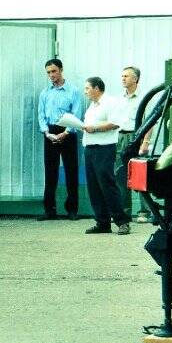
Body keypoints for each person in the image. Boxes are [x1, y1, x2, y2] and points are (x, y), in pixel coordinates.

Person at [81, 77, 130, 235]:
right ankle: (102, 222)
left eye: (87, 88)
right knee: (94, 186)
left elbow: (115, 123)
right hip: (90, 148)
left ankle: (122, 221)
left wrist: (94, 128)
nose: (85, 91)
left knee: (107, 184)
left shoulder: (110, 102)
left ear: (97, 88)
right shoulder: (92, 106)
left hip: (104, 148)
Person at [37, 59, 82, 221]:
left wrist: (66, 132)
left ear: (61, 70)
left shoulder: (73, 91)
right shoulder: (45, 93)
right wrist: (47, 133)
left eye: (54, 71)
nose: (51, 75)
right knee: (50, 172)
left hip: (68, 133)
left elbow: (76, 114)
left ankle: (72, 210)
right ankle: (49, 210)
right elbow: (41, 115)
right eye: (48, 72)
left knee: (71, 171)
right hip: (50, 133)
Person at [114, 66, 149, 223]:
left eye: (126, 76)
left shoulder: (144, 98)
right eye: (122, 76)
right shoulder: (119, 99)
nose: (123, 79)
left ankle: (144, 212)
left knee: (140, 175)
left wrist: (145, 142)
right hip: (120, 137)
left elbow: (149, 122)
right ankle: (124, 212)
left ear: (135, 79)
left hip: (136, 137)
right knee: (121, 176)